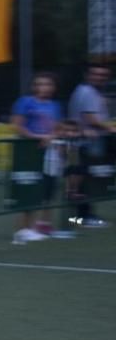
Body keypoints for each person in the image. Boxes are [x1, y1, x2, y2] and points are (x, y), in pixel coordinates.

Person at [10, 72, 63, 242]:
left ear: (53, 88)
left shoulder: (55, 105)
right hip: (28, 151)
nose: (44, 88)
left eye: (48, 84)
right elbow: (17, 126)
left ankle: (41, 225)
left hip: (49, 151)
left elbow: (57, 127)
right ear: (34, 87)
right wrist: (35, 137)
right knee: (28, 187)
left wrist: (51, 136)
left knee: (47, 188)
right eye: (40, 84)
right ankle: (22, 229)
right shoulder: (25, 102)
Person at [67, 64, 114, 227]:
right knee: (84, 181)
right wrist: (110, 128)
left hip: (85, 143)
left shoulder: (87, 91)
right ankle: (83, 217)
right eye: (96, 74)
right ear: (87, 74)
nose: (100, 77)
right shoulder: (88, 92)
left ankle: (82, 216)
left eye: (103, 75)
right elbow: (90, 118)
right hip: (85, 143)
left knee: (85, 180)